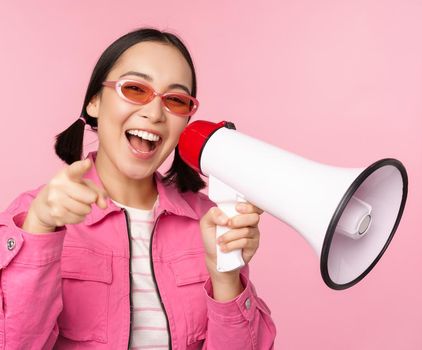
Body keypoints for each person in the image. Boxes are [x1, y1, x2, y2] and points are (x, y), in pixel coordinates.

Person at [0, 28, 276, 349]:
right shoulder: (33, 216)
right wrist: (40, 233)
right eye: (134, 88)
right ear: (94, 101)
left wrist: (225, 275)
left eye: (175, 100)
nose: (155, 113)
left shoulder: (210, 221)